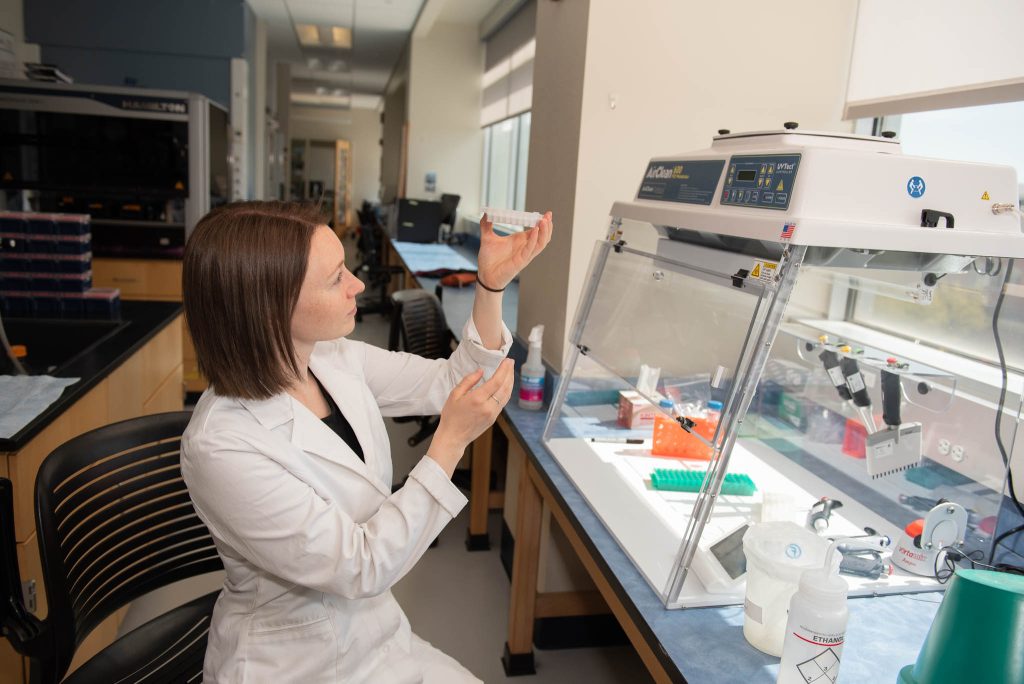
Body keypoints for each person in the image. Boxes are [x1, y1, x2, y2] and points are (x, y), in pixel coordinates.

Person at [180, 201, 553, 683]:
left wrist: (491, 285)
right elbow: (360, 566)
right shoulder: (222, 446)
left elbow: (452, 382)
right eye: (336, 277)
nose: (357, 284)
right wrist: (449, 444)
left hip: (378, 636)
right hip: (297, 665)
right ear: (269, 307)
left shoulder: (329, 357)